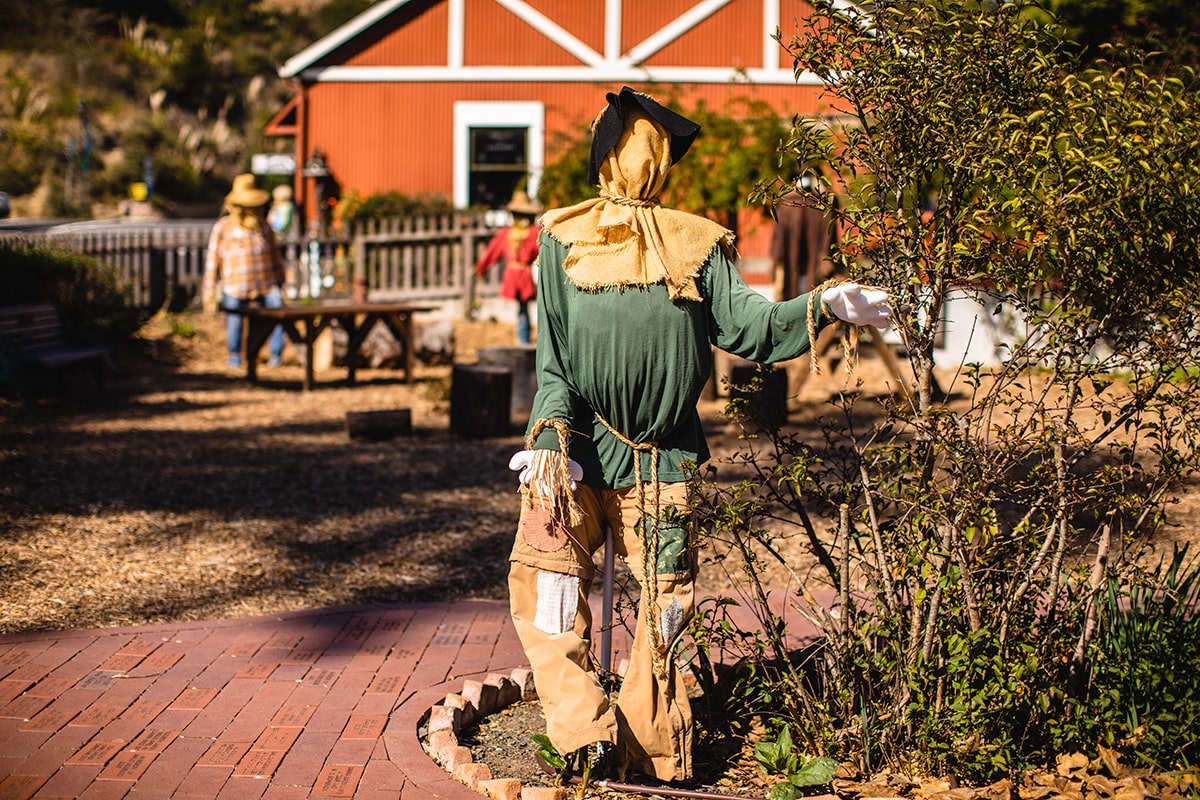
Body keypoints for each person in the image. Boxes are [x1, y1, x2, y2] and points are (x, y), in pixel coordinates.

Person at [505, 87, 891, 787]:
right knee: (547, 588)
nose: (643, 155)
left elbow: (752, 329)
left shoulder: (699, 244)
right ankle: (583, 733)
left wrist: (824, 304)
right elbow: (553, 362)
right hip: (573, 456)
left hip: (663, 460)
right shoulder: (560, 238)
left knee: (667, 609)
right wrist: (549, 442)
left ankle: (651, 751)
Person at [202, 174, 287, 368]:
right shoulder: (224, 227)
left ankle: (275, 356)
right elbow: (213, 260)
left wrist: (281, 282)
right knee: (235, 323)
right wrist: (209, 289)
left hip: (266, 285)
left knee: (279, 315)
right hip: (235, 287)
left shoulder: (263, 226)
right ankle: (235, 356)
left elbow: (275, 257)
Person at [474, 190, 543, 345]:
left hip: (513, 274)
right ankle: (524, 339)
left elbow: (491, 252)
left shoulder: (506, 233)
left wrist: (481, 267)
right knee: (524, 308)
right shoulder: (534, 233)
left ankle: (523, 338)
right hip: (524, 275)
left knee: (522, 309)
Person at [771, 170, 839, 300]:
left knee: (796, 294)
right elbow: (829, 234)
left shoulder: (786, 202)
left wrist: (776, 258)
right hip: (807, 263)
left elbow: (777, 237)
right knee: (811, 296)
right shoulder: (823, 203)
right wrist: (826, 256)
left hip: (798, 263)